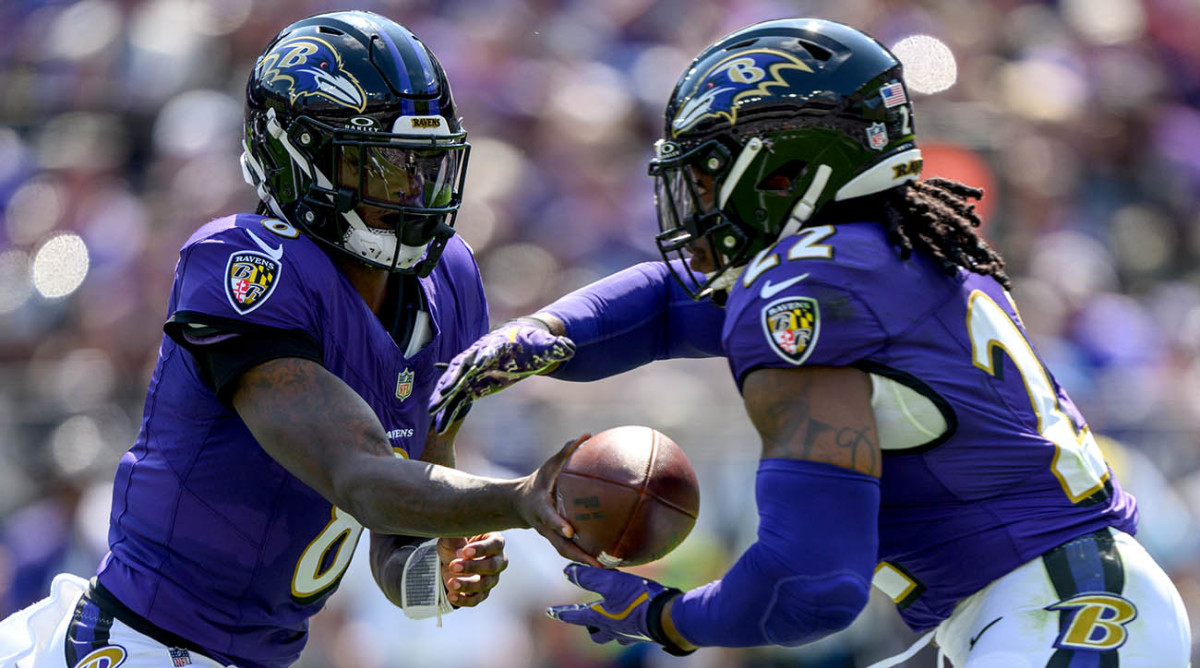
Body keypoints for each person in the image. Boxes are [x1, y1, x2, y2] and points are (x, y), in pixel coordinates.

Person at [430, 18, 1192, 666]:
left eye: (707, 169)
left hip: (1057, 613)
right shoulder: (882, 257)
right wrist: (539, 336)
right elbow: (667, 305)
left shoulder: (806, 285)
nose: (689, 195)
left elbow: (813, 583)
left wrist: (668, 618)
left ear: (785, 168)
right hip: (1034, 605)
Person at [0, 11, 598, 668]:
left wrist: (439, 576)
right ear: (299, 161)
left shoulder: (449, 280)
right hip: (139, 646)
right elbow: (360, 475)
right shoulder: (245, 264)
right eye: (385, 164)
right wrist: (517, 499)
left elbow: (397, 537)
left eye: (425, 164)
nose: (415, 189)